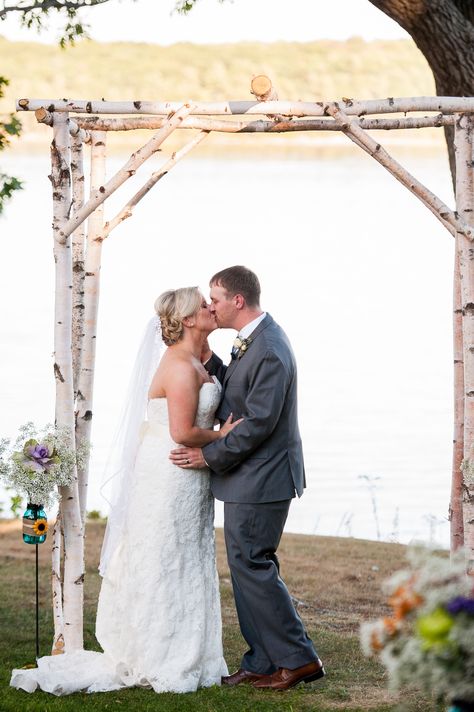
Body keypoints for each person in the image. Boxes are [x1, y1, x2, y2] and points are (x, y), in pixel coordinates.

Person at [11, 287, 239, 696]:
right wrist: (222, 435)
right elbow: (182, 431)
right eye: (202, 305)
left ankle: (192, 650)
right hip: (172, 471)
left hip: (186, 473)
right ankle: (161, 653)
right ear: (187, 320)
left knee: (185, 555)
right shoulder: (179, 365)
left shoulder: (195, 361)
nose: (209, 307)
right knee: (165, 555)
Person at [170, 266, 324, 691]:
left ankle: (299, 659)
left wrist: (208, 455)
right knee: (246, 567)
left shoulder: (270, 348)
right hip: (250, 477)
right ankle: (261, 659)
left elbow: (256, 424)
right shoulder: (253, 341)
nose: (210, 305)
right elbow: (238, 389)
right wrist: (205, 359)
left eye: (215, 298)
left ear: (238, 301)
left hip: (263, 477)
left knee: (254, 565)